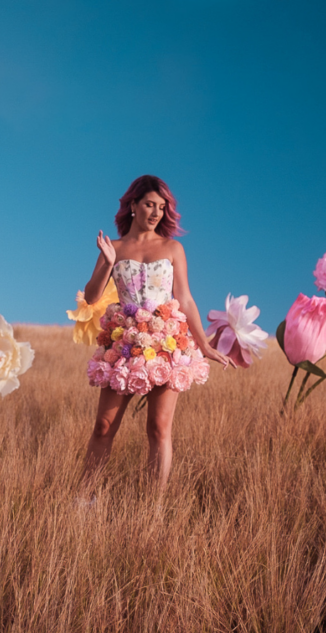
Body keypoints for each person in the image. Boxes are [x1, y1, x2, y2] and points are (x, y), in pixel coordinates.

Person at [81, 175, 235, 491]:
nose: (155, 213)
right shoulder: (115, 247)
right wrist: (106, 264)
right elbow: (92, 296)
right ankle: (85, 500)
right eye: (149, 204)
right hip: (124, 344)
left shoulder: (173, 248)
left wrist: (203, 345)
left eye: (161, 207)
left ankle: (153, 506)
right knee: (103, 426)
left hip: (166, 341)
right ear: (133, 205)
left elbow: (185, 297)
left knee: (158, 428)